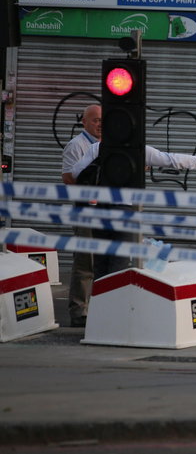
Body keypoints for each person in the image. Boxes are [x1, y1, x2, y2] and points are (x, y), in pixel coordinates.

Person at [71, 142, 196, 279]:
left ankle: (100, 306)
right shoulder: (138, 149)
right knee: (119, 266)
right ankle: (114, 304)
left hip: (99, 210)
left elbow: (76, 172)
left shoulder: (97, 147)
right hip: (124, 211)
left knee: (100, 265)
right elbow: (172, 160)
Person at [61, 104, 101, 327]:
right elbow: (68, 178)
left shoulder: (112, 144)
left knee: (109, 263)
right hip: (86, 211)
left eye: (103, 120)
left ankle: (102, 309)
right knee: (86, 263)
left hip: (110, 211)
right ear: (84, 122)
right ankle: (79, 312)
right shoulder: (76, 146)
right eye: (95, 120)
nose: (100, 125)